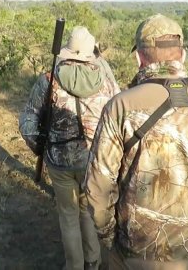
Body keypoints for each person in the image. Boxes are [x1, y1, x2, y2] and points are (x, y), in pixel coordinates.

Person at [84, 14, 188, 269]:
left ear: (138, 58)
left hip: (134, 254)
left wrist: (109, 237)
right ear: (182, 56)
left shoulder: (120, 107)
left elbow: (98, 186)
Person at [19, 26, 120, 270]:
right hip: (92, 161)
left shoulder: (49, 80)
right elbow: (118, 120)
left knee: (68, 215)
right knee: (87, 210)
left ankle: (74, 266)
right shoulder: (106, 82)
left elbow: (28, 122)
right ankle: (93, 262)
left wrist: (40, 149)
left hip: (59, 160)